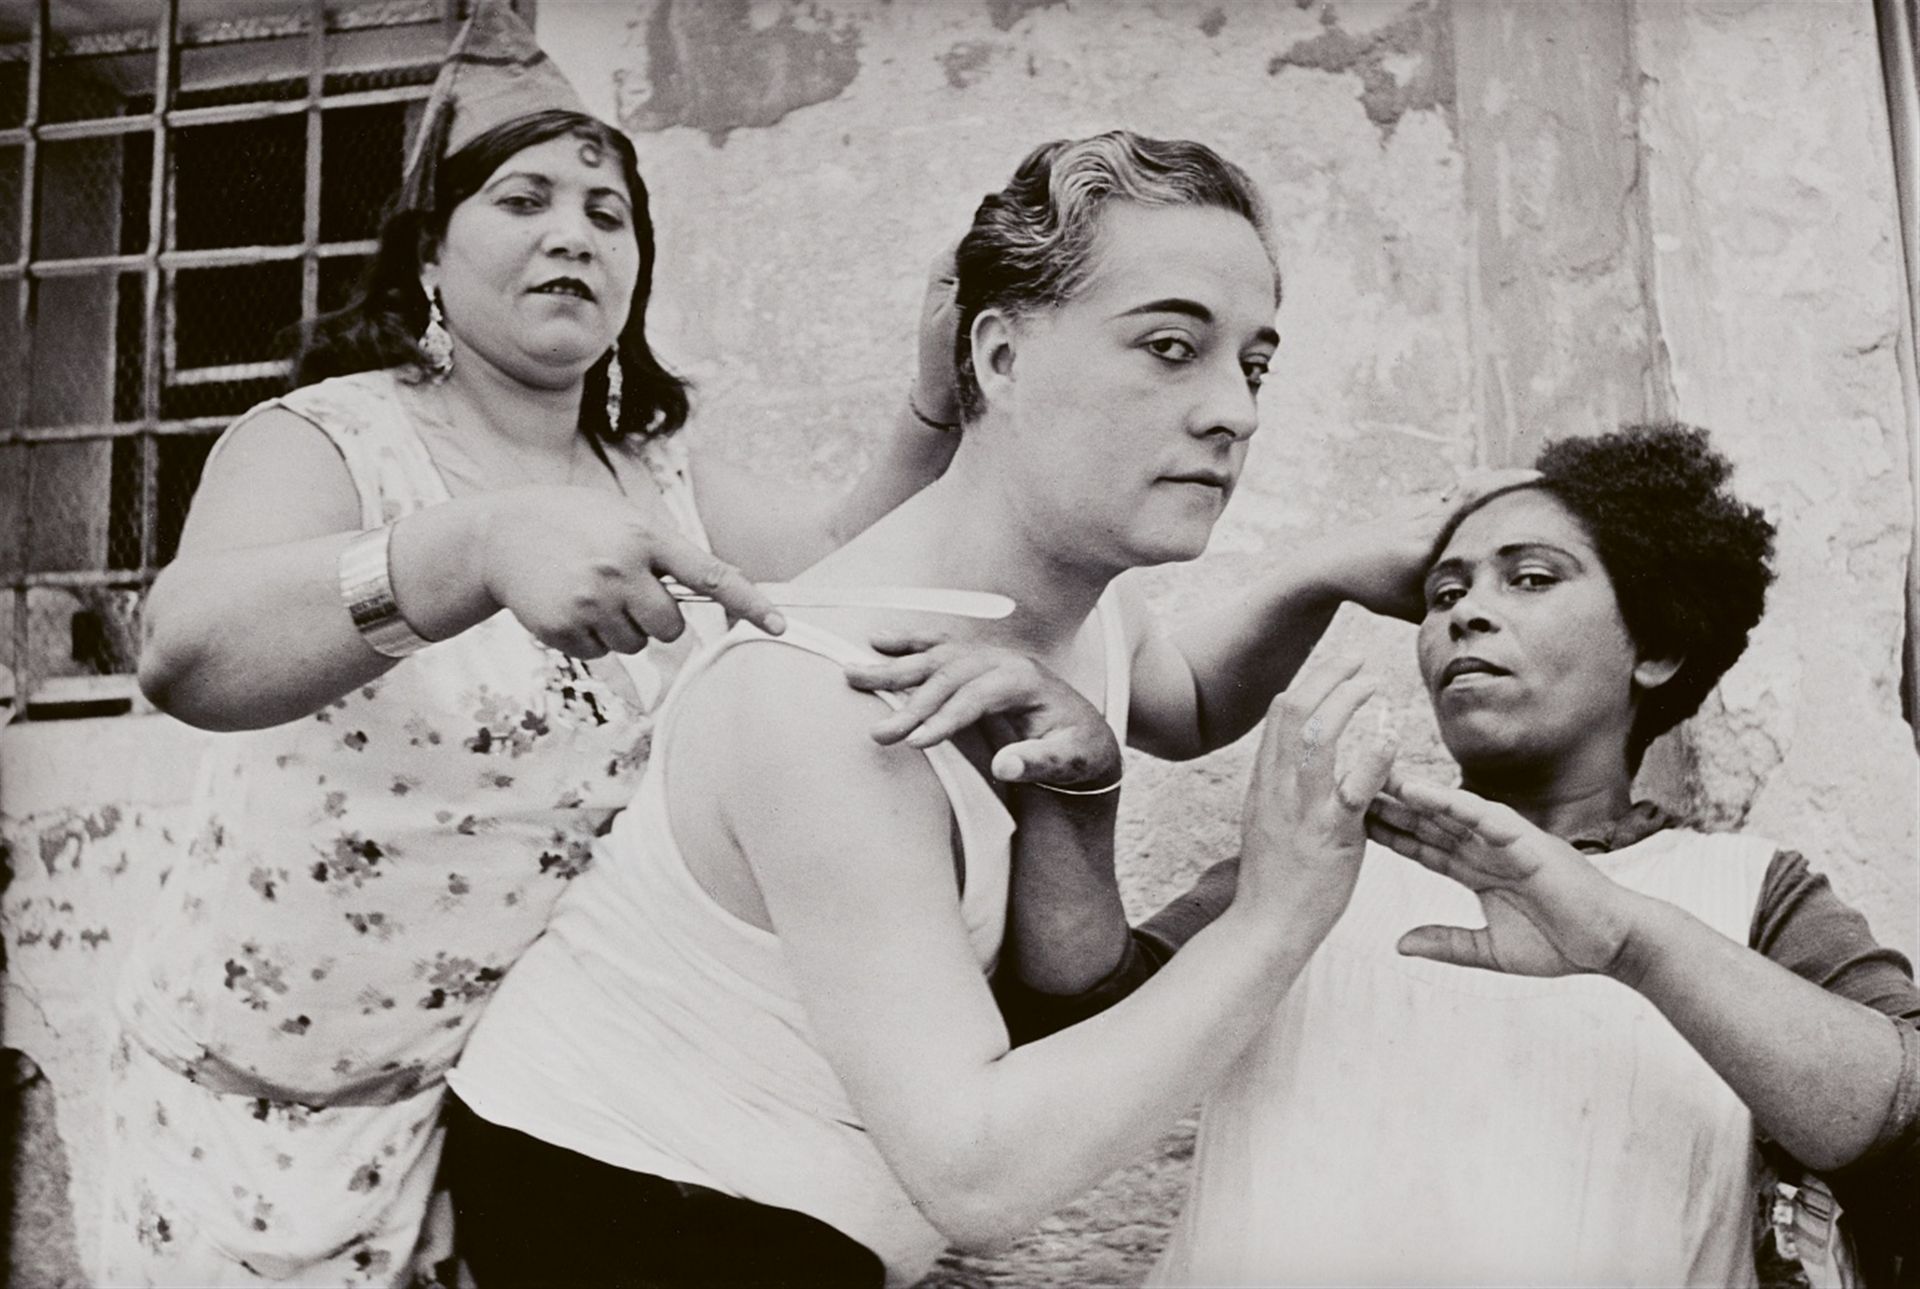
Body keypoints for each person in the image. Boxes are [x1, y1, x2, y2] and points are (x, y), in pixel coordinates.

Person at [441, 128, 1447, 1287]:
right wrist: (1279, 910)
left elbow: (1185, 699)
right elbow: (979, 1177)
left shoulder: (1073, 598)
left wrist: (1325, 570)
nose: (1234, 412)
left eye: (1254, 365)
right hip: (632, 1221)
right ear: (1002, 355)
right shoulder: (831, 697)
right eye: (1172, 347)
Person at [104, 2, 963, 1283]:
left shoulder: (660, 484)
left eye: (608, 213)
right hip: (239, 1117)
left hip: (491, 1120)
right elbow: (184, 652)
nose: (573, 229)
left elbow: (838, 564)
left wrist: (934, 401)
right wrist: (476, 547)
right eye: (524, 198)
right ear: (429, 265)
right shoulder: (331, 440)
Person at [1096, 424, 1919, 1286]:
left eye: (1531, 578)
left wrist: (1628, 942)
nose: (1466, 612)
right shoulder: (1322, 855)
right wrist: (1078, 790)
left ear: (1658, 644)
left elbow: (1906, 1134)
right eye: (1444, 592)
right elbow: (1079, 1040)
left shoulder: (1746, 892)